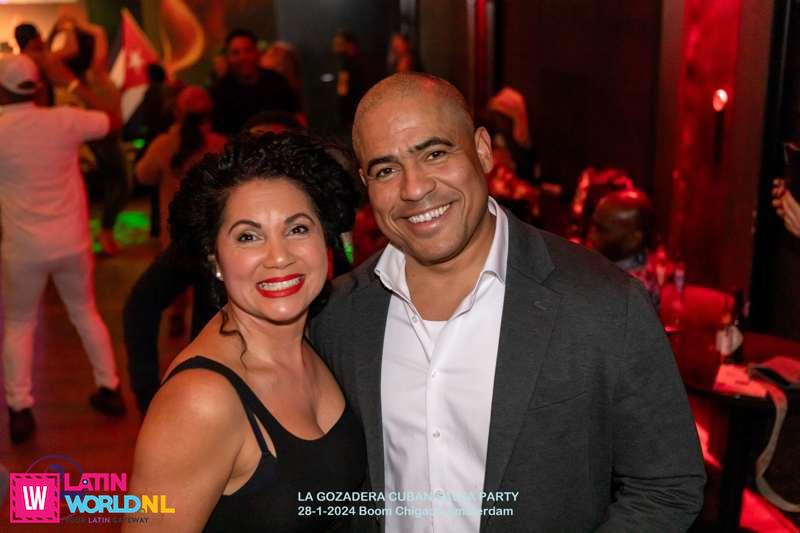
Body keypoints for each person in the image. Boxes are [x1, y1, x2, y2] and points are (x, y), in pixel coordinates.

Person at [309, 73, 705, 532]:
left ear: (482, 150)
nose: (414, 188)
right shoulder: (338, 316)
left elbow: (667, 485)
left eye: (435, 154)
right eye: (386, 170)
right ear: (366, 183)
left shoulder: (603, 303)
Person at [126, 131, 364, 531]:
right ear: (214, 259)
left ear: (325, 237)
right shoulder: (198, 403)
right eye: (248, 237)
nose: (279, 256)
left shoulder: (320, 339)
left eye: (298, 229)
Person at [0, 54, 126, 444]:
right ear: (37, 86)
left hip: (23, 248)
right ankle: (110, 389)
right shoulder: (64, 120)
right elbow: (113, 120)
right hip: (72, 242)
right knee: (85, 313)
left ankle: (20, 410)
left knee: (19, 324)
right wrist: (71, 81)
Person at [210, 29, 298, 136]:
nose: (243, 57)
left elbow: (295, 116)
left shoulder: (276, 81)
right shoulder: (220, 91)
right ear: (228, 57)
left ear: (257, 53)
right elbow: (218, 134)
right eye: (236, 53)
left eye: (248, 51)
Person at [587, 189, 662, 306]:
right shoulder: (626, 262)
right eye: (593, 226)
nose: (591, 235)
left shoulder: (630, 292)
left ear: (633, 239)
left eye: (601, 230)